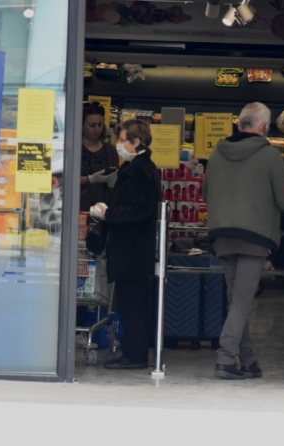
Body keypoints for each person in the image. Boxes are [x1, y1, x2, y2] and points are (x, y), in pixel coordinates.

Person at [203, 102, 284, 379]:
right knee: (242, 302)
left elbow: (206, 193)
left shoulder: (217, 154)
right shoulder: (270, 156)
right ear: (264, 127)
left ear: (239, 123)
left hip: (222, 235)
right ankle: (224, 358)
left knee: (236, 301)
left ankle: (249, 360)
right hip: (254, 236)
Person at [90, 119, 161, 369]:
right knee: (130, 303)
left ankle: (135, 355)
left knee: (133, 305)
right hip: (130, 248)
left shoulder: (141, 171)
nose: (118, 145)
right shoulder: (135, 168)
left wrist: (108, 214)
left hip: (133, 248)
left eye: (122, 140)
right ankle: (133, 351)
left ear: (136, 142)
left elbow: (139, 210)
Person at [80, 102, 119, 213]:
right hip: (77, 208)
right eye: (92, 125)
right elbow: (63, 179)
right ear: (82, 125)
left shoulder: (110, 150)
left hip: (103, 210)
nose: (96, 129)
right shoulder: (73, 150)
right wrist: (90, 179)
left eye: (100, 125)